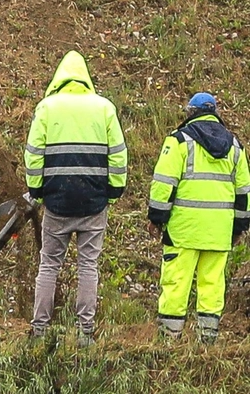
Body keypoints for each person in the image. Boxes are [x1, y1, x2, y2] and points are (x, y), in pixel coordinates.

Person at [24, 50, 127, 347]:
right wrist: (114, 191)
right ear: (86, 78)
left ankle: (39, 331)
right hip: (95, 204)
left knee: (49, 265)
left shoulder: (46, 107)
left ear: (59, 78)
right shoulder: (104, 108)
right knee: (88, 266)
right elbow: (118, 156)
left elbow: (34, 155)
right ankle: (85, 333)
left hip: (57, 204)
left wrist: (37, 190)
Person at [148, 93, 250, 343]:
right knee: (213, 284)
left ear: (191, 113)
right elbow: (244, 193)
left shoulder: (179, 141)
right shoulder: (236, 146)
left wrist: (156, 218)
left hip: (184, 229)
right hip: (218, 231)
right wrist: (238, 227)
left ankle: (169, 341)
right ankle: (208, 340)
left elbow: (163, 184)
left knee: (176, 282)